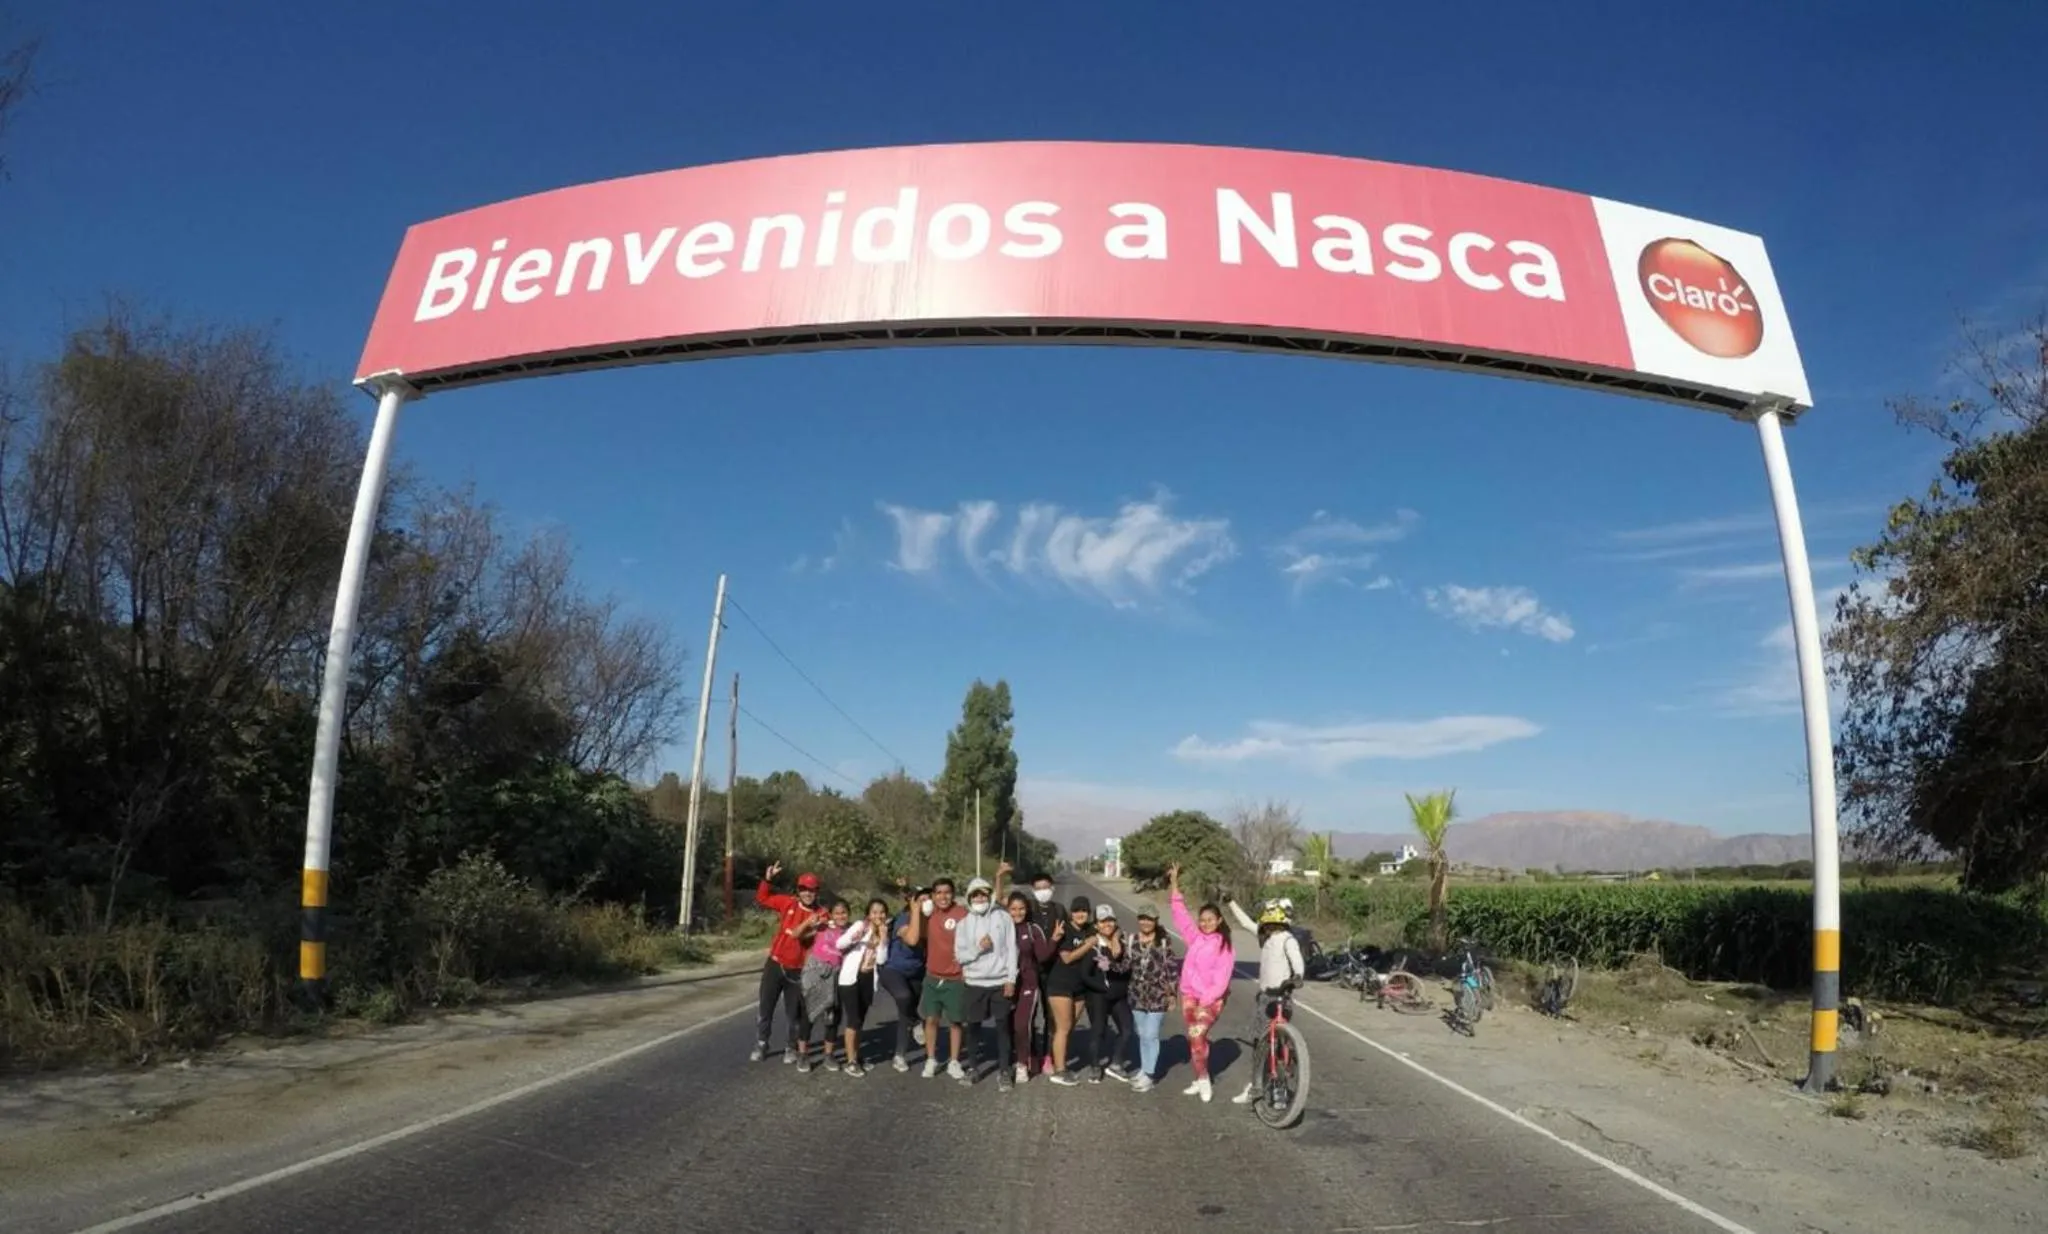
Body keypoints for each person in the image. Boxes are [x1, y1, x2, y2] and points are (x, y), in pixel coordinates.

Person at [1224, 896, 1306, 1105]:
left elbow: (1297, 961)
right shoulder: (1266, 938)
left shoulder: (1288, 939)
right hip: (1264, 998)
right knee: (1259, 1045)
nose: (1268, 928)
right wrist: (1231, 901)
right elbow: (1245, 923)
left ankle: (1279, 1089)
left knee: (1278, 1045)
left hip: (1282, 996)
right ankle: (1256, 1085)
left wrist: (1297, 976)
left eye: (1271, 925)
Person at [1166, 863, 1236, 1102]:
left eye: (1210, 919)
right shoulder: (1195, 938)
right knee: (1197, 1040)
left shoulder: (1224, 946)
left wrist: (1205, 1001)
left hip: (1211, 999)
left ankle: (1204, 1079)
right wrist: (1174, 882)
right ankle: (1199, 1077)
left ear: (1218, 920)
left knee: (1197, 1036)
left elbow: (1222, 978)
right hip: (1188, 995)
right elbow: (1180, 915)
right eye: (1202, 920)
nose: (1205, 923)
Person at [750, 863, 825, 1064]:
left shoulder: (821, 914)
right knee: (766, 1007)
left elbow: (816, 938)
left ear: (817, 892)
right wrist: (768, 880)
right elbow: (762, 898)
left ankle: (791, 1047)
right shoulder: (788, 903)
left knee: (794, 1013)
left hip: (799, 970)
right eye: (804, 889)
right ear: (798, 890)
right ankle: (762, 1043)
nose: (808, 893)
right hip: (775, 964)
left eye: (812, 890)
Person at [998, 861, 1063, 1074]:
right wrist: (999, 877)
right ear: (1033, 891)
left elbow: (1069, 932)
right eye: (1039, 888)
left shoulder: (1059, 909)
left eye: (1046, 887)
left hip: (1049, 972)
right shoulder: (1028, 909)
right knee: (1022, 1021)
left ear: (1052, 888)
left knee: (1049, 1018)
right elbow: (1000, 901)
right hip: (1019, 976)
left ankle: (1047, 1057)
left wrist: (1054, 939)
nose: (1043, 891)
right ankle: (1026, 1056)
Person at [956, 877, 1021, 1090]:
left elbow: (1012, 949)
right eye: (975, 895)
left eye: (983, 894)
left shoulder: (1003, 918)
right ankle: (973, 1068)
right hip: (974, 983)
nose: (980, 898)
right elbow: (960, 956)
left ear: (990, 895)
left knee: (1003, 1027)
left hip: (1000, 982)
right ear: (969, 898)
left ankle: (1004, 1070)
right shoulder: (964, 923)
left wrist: (1011, 979)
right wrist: (978, 948)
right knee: (973, 1027)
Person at [909, 876, 970, 1079]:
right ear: (933, 896)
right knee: (931, 1020)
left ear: (953, 894)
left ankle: (954, 1061)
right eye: (938, 893)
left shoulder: (962, 914)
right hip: (932, 977)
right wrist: (916, 907)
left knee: (955, 1022)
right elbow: (913, 937)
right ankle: (931, 1059)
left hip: (956, 978)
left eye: (947, 892)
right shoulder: (928, 913)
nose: (943, 896)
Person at [1042, 894, 1097, 1086]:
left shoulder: (1091, 929)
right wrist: (1088, 945)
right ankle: (1059, 1070)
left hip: (1080, 987)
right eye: (1076, 910)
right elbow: (1067, 958)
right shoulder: (1066, 929)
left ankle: (1058, 1058)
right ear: (1071, 913)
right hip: (1060, 984)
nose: (1080, 914)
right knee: (1063, 1027)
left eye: (1084, 910)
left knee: (1068, 1027)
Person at [1124, 903, 1180, 1093]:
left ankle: (1149, 1075)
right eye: (1142, 918)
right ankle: (1144, 1068)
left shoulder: (1164, 941)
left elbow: (1172, 969)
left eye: (1149, 919)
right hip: (1136, 995)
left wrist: (1173, 994)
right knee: (1141, 1034)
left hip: (1158, 996)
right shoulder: (1131, 940)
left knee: (1151, 1035)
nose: (1145, 922)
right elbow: (1125, 965)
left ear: (1156, 921)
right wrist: (1109, 965)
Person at [834, 898, 893, 1077]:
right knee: (853, 1020)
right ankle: (850, 1061)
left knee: (860, 1020)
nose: (878, 915)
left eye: (882, 912)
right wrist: (855, 937)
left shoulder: (884, 932)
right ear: (868, 914)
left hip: (868, 980)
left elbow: (882, 960)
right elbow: (840, 944)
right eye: (874, 912)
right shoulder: (860, 926)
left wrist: (883, 940)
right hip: (851, 979)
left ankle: (857, 1057)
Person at [1004, 889, 1054, 1085]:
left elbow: (1042, 956)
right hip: (1005, 985)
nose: (1017, 913)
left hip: (1028, 984)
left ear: (1027, 909)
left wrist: (1055, 939)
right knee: (1007, 1026)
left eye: (1021, 909)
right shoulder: (1000, 928)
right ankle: (1013, 1059)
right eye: (1013, 909)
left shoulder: (1033, 930)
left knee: (1021, 1025)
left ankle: (1022, 1064)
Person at [878, 885, 928, 1072]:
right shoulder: (903, 919)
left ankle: (899, 1055)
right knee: (903, 998)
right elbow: (913, 939)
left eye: (927, 900)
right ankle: (916, 1020)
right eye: (920, 900)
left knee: (904, 1015)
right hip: (893, 970)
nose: (925, 903)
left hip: (917, 972)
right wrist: (915, 912)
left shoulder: (932, 920)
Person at [800, 898, 853, 1072]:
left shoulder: (852, 932)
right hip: (816, 972)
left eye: (844, 912)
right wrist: (812, 925)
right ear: (831, 914)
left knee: (833, 1017)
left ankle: (828, 1056)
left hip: (837, 975)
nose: (841, 916)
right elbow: (802, 938)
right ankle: (803, 1055)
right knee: (809, 1014)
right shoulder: (822, 927)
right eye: (837, 913)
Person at [1085, 903, 1135, 1084]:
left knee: (1128, 1029)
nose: (1108, 924)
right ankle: (1095, 1066)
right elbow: (1085, 974)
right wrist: (1101, 987)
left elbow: (1128, 967)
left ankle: (1116, 1064)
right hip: (1098, 996)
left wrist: (1117, 937)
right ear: (1096, 924)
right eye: (1103, 921)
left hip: (1119, 996)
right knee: (1098, 1031)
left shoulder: (1122, 941)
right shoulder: (1092, 944)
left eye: (1111, 921)